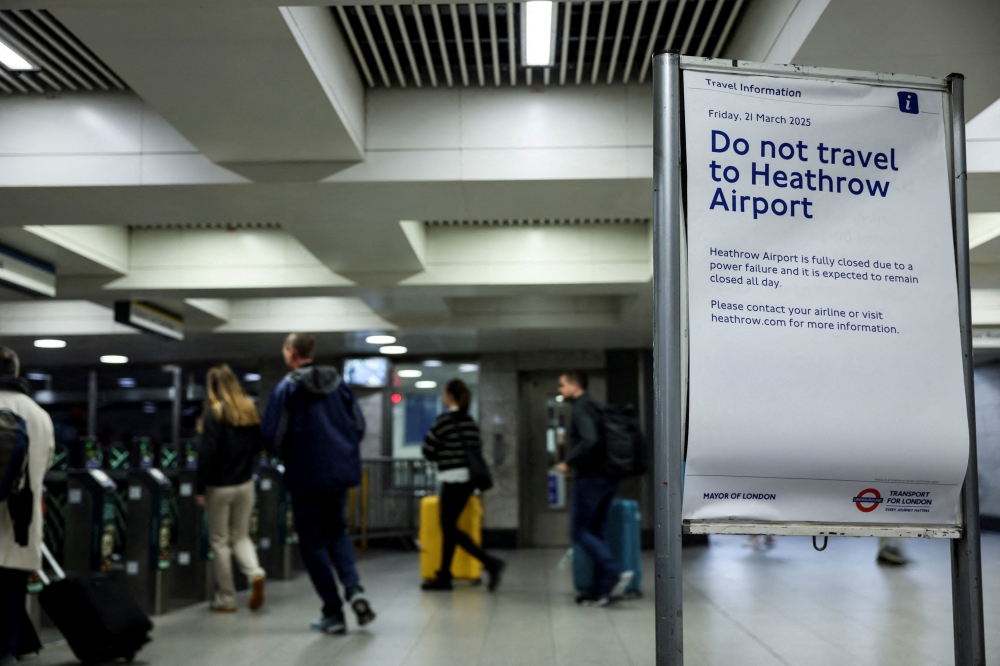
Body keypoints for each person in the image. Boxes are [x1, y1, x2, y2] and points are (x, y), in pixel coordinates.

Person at [261, 333, 375, 634]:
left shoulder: (286, 388)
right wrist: (340, 452)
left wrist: (285, 457)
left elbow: (272, 435)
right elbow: (359, 426)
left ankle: (332, 611)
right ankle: (354, 589)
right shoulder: (340, 385)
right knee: (337, 532)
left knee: (312, 543)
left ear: (290, 352)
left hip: (304, 477)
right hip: (338, 474)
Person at [556, 370, 632, 607]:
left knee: (578, 531)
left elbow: (589, 440)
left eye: (562, 385)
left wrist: (568, 461)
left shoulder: (581, 408)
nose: (560, 390)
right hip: (609, 477)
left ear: (575, 385)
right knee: (597, 533)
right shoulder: (598, 407)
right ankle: (599, 591)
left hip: (591, 479)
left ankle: (614, 571)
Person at [421, 379, 505, 592]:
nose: (443, 398)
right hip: (469, 481)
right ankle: (444, 576)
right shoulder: (470, 422)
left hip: (452, 479)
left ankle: (490, 563)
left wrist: (443, 454)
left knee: (449, 528)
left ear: (450, 397)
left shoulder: (443, 421)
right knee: (449, 528)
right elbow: (477, 448)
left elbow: (428, 450)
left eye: (443, 394)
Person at [195, 364, 267, 613]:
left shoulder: (214, 412)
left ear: (212, 387)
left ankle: (227, 598)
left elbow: (208, 454)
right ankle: (255, 573)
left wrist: (199, 487)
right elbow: (259, 446)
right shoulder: (249, 409)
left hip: (219, 486)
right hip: (245, 483)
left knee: (220, 541)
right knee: (241, 536)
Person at [0, 347, 54, 666]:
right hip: (23, 516)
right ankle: (8, 650)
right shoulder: (39, 414)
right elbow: (44, 465)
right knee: (12, 589)